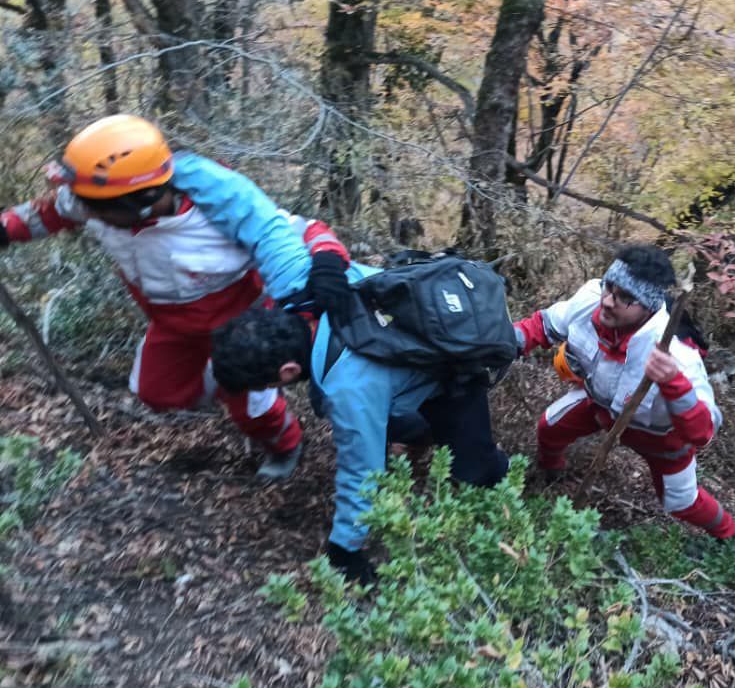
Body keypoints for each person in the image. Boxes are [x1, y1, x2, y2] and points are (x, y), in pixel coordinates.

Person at [0, 115, 353, 480]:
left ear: (142, 200)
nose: (83, 209)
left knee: (253, 409)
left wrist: (327, 260)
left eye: (94, 205)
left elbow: (296, 231)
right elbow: (48, 212)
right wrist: (6, 229)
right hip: (172, 325)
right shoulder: (93, 201)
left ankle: (285, 445)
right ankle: (228, 387)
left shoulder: (217, 212)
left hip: (241, 328)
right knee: (154, 392)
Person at [210, 278, 510, 583]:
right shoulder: (331, 292)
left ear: (288, 372)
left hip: (457, 375)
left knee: (475, 471)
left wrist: (345, 549)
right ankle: (422, 436)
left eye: (266, 385)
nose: (269, 391)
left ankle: (507, 487)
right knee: (383, 421)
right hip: (425, 358)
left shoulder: (346, 389)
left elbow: (362, 472)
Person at [514, 245, 735, 542]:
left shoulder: (676, 354)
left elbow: (703, 432)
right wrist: (499, 343)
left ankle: (730, 536)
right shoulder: (590, 301)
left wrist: (673, 382)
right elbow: (541, 326)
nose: (607, 301)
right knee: (550, 427)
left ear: (647, 305)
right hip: (601, 406)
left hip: (659, 435)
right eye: (609, 287)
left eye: (625, 297)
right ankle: (551, 475)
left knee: (681, 502)